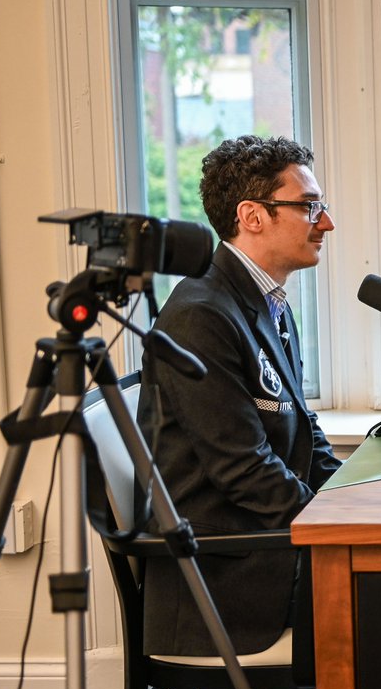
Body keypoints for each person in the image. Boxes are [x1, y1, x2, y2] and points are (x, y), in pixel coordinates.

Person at [137, 135, 342, 656]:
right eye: (309, 206)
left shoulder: (266, 300)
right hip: (228, 570)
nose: (325, 222)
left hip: (263, 540)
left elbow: (304, 430)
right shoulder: (200, 315)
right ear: (253, 216)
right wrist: (333, 526)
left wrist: (357, 499)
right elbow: (244, 469)